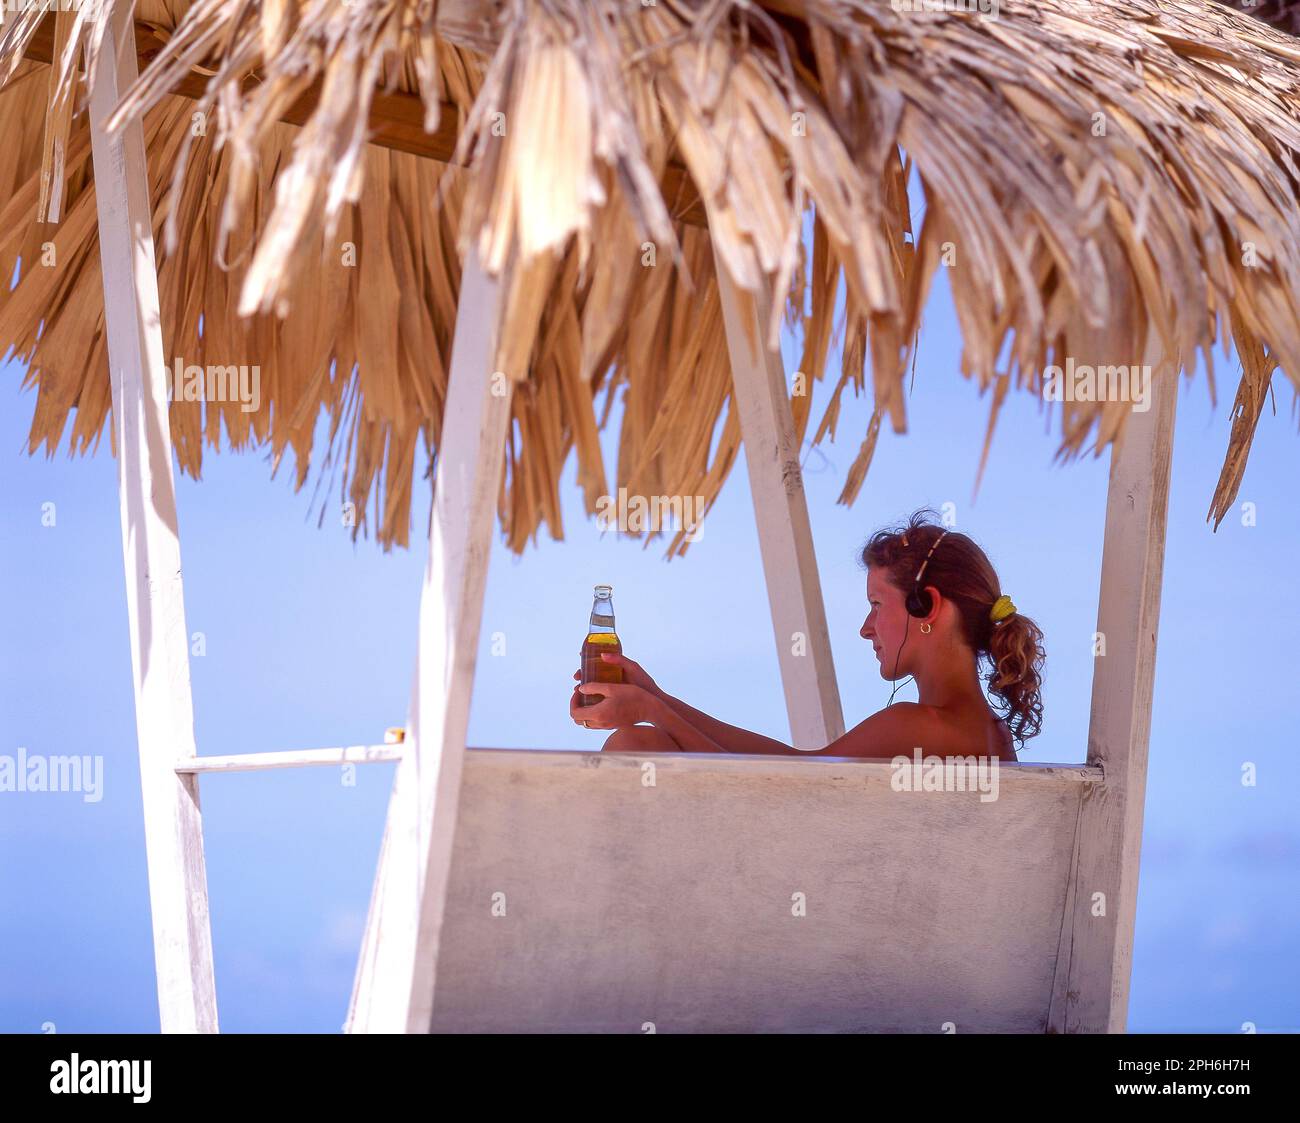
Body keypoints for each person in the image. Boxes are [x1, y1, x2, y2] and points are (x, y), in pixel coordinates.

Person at [569, 509, 1044, 762]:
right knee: (646, 742)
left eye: (877, 606)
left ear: (928, 607)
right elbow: (795, 767)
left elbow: (774, 792)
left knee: (638, 746)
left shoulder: (919, 726)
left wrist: (652, 712)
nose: (865, 628)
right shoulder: (985, 734)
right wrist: (656, 697)